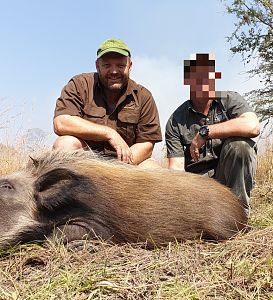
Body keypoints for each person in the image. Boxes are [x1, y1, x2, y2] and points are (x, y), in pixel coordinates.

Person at [165, 53, 260, 216]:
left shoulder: (230, 99)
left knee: (241, 146)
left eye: (206, 74)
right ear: (187, 80)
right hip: (199, 188)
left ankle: (240, 213)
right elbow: (176, 171)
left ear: (215, 77)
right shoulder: (175, 120)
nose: (202, 79)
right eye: (196, 75)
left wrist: (206, 132)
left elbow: (253, 126)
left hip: (229, 181)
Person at [53, 38, 162, 167]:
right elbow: (61, 123)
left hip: (125, 166)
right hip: (87, 164)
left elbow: (147, 144)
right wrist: (109, 133)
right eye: (107, 65)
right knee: (65, 144)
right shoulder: (79, 85)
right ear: (97, 66)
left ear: (130, 66)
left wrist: (117, 169)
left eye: (121, 66)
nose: (114, 71)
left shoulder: (143, 96)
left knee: (152, 167)